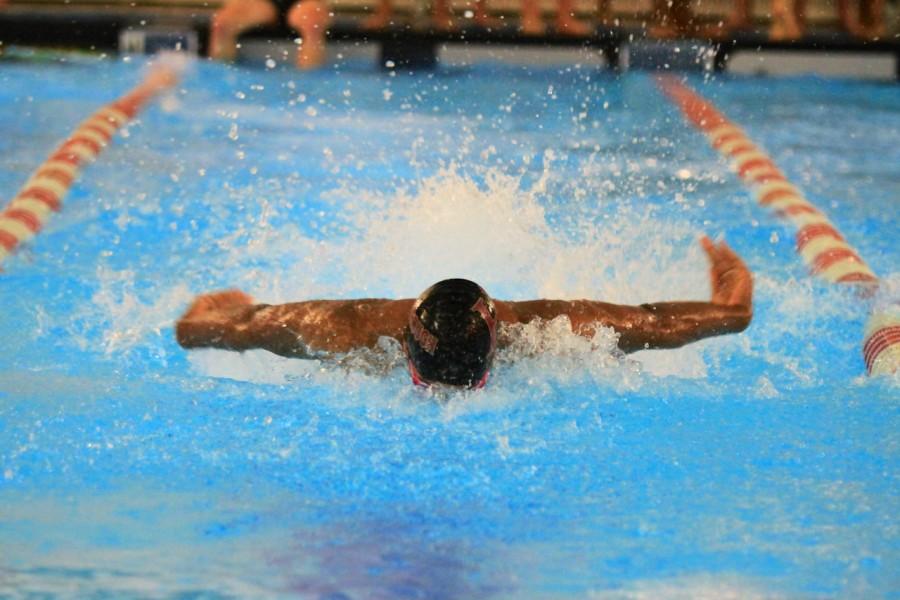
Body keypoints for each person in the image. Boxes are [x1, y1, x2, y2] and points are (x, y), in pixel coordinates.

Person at [176, 237, 752, 389]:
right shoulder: (342, 328)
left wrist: (223, 307)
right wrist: (735, 298)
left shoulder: (548, 328)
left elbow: (664, 320)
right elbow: (664, 322)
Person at [209, 0, 330, 69]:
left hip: (303, 2)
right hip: (259, 2)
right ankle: (221, 78)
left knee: (312, 24)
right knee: (222, 25)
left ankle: (308, 83)